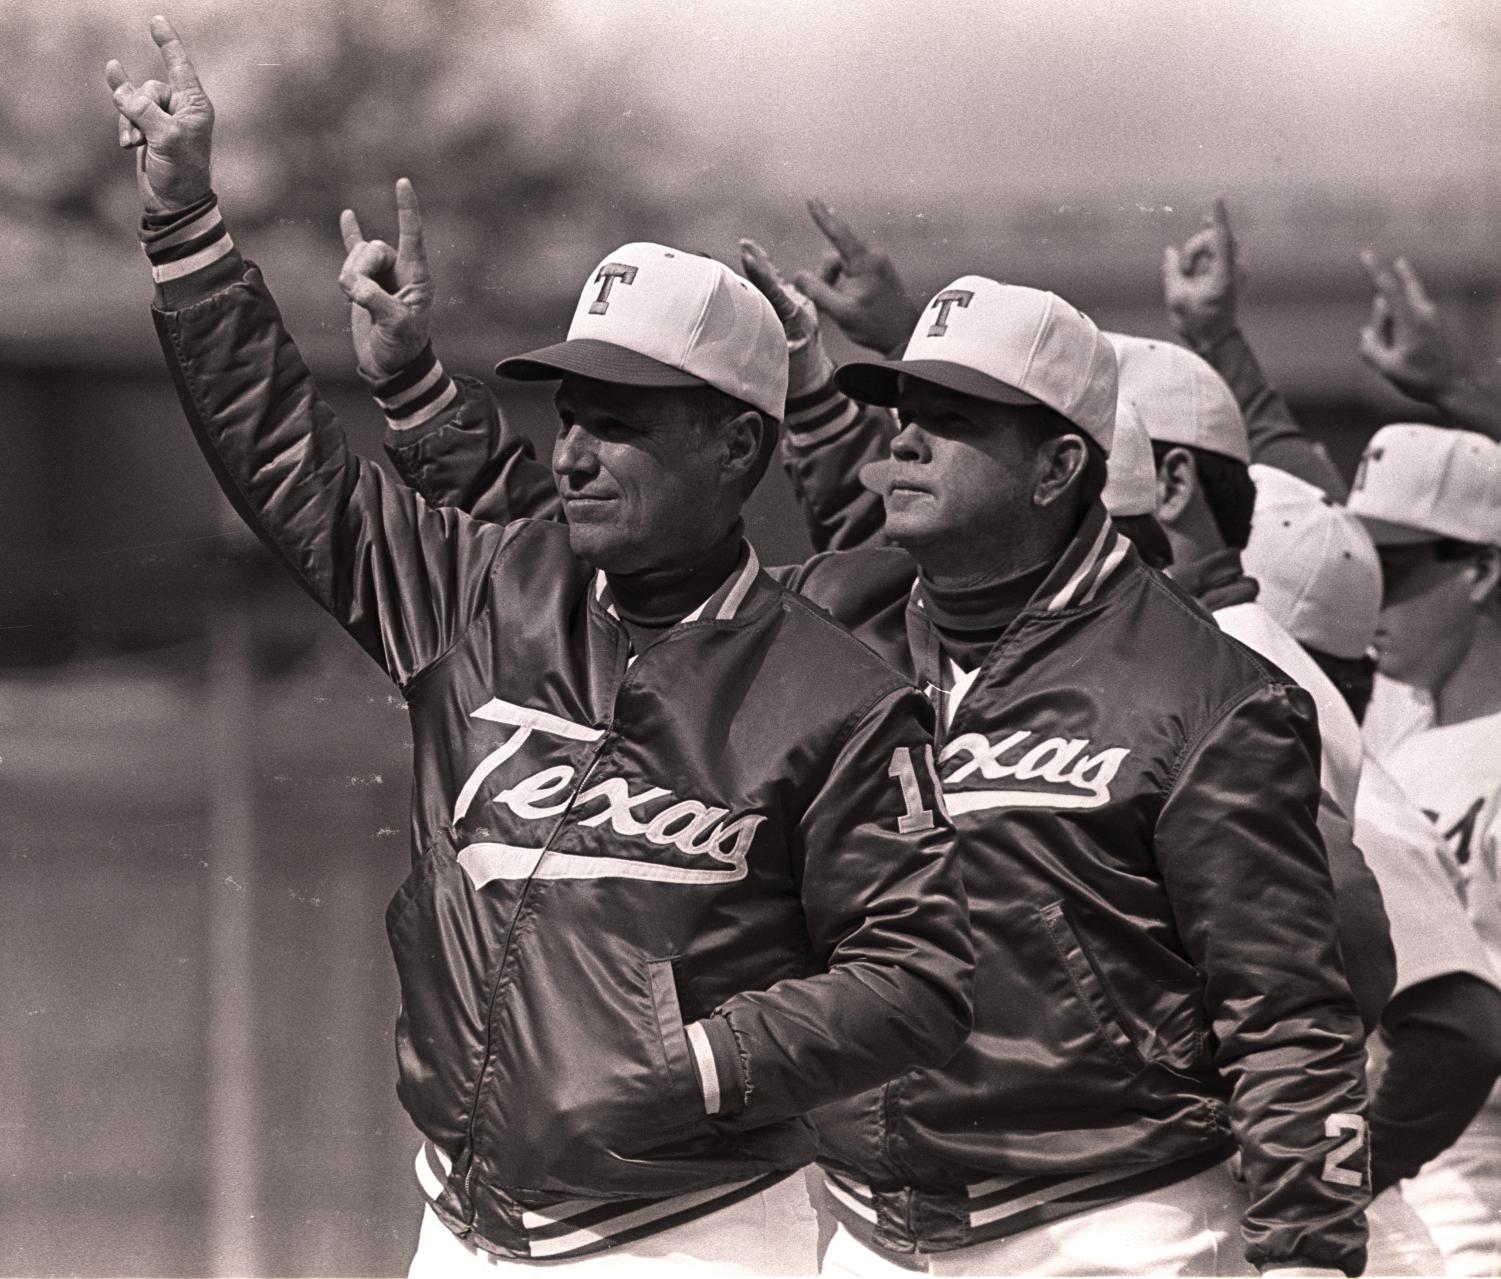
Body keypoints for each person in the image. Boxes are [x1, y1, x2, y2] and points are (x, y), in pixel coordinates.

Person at [105, 20, 976, 1275]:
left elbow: (921, 973)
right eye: (569, 413)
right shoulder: (483, 591)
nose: (572, 450)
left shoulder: (833, 691)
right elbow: (291, 463)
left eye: (618, 422)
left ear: (736, 450)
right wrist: (188, 225)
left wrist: (701, 1058)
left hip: (692, 1240)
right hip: (460, 1222)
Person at [374, 197, 1375, 1272]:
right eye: (900, 402)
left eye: (951, 416)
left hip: (1108, 1223)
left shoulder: (1211, 692)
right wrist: (422, 400)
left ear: (1057, 468)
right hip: (864, 1229)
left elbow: (1288, 1019)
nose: (903, 435)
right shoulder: (827, 625)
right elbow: (566, 561)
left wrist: (1307, 1257)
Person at [1242, 464, 1501, 1273]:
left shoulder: (1345, 769)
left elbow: (1460, 1032)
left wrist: (1332, 1186)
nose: (1378, 596)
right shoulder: (1389, 743)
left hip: (1463, 1189)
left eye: (1402, 569)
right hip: (1389, 1160)